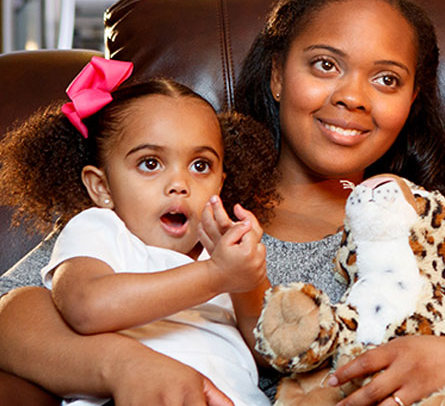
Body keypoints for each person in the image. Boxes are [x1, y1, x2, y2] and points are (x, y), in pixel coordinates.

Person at [0, 0, 445, 406]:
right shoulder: (182, 200)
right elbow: (17, 309)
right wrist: (121, 366)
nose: (352, 96)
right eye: (325, 65)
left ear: (412, 101)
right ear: (278, 75)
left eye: (387, 79)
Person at [0, 56, 280, 406]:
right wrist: (215, 276)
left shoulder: (221, 251)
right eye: (150, 164)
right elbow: (86, 307)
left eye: (200, 165)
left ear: (221, 183)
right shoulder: (100, 230)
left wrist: (248, 281)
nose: (179, 184)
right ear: (101, 187)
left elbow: (270, 350)